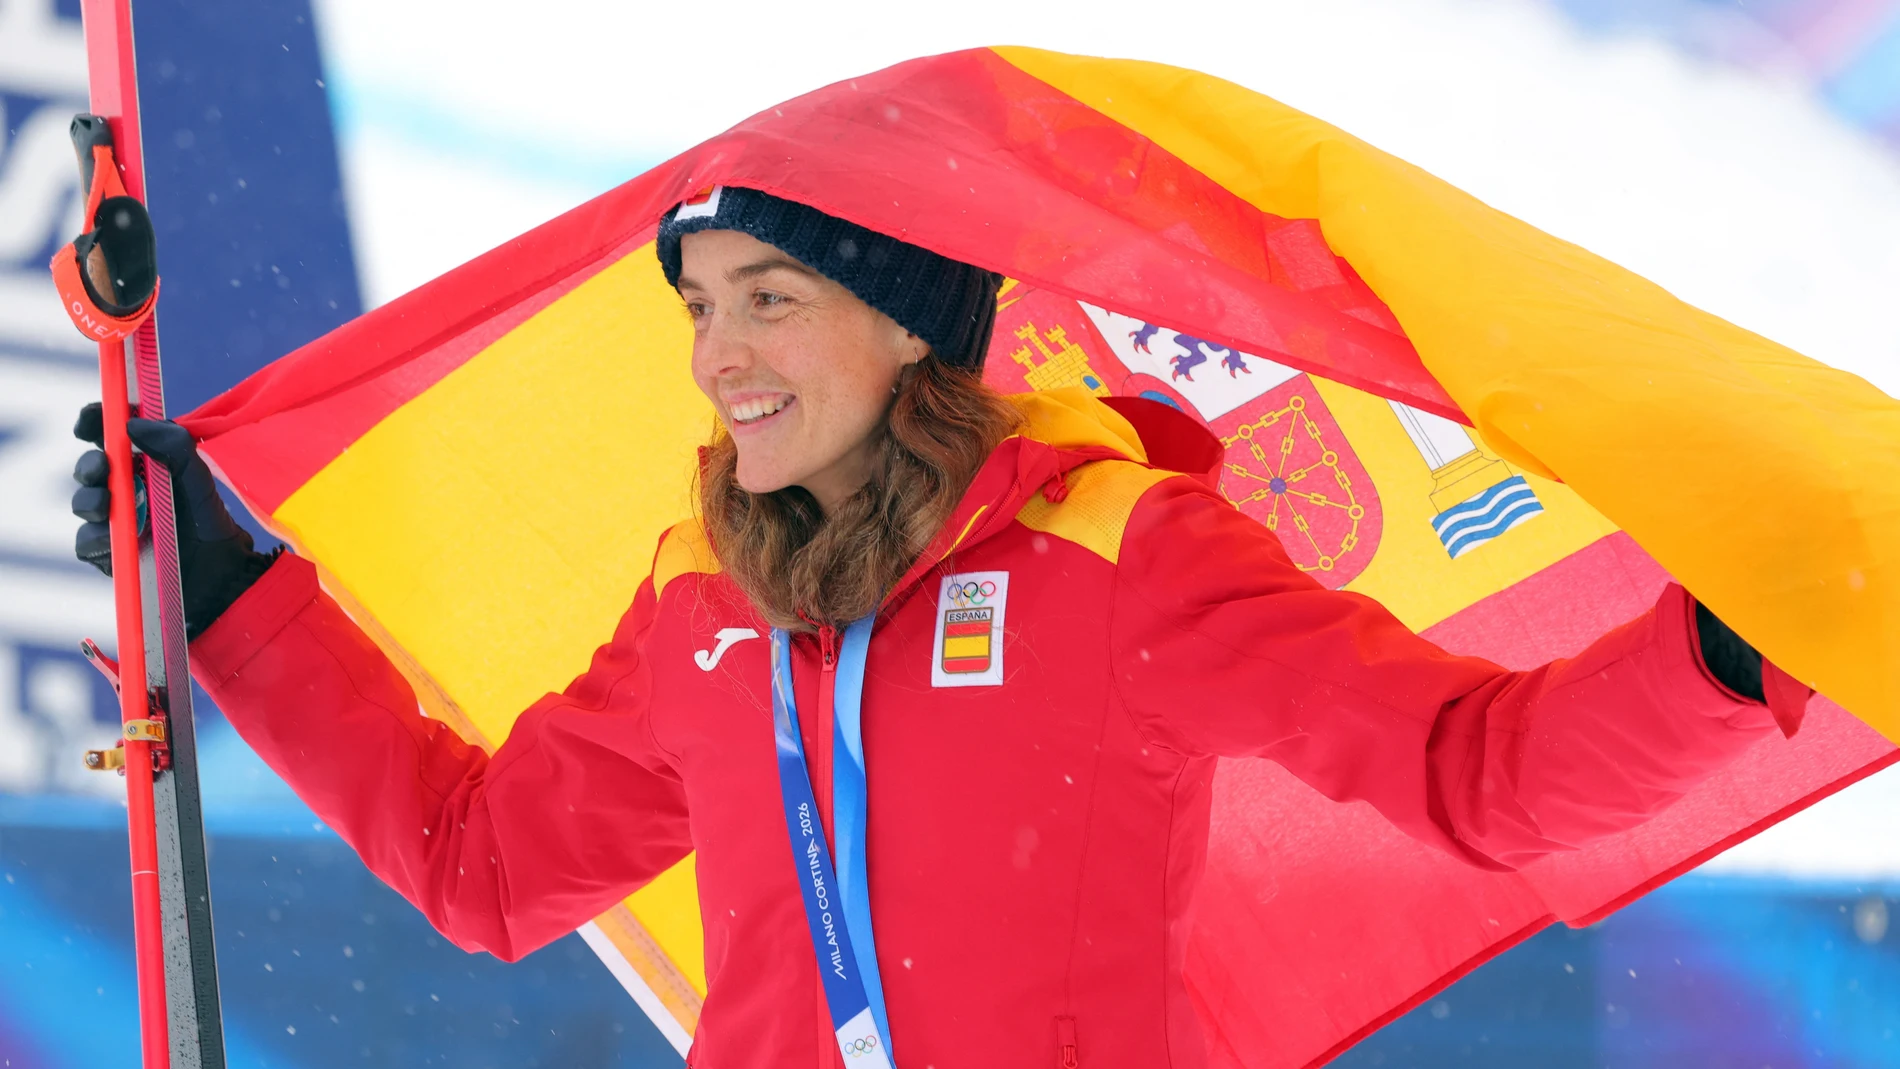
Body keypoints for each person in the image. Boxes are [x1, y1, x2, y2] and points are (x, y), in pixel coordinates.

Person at [72, 186, 1789, 1069]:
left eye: (771, 298)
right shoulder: (704, 597)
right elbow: (487, 864)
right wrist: (225, 597)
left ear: (907, 329)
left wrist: (1728, 649)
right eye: (698, 305)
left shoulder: (1120, 555)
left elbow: (1478, 775)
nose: (719, 354)